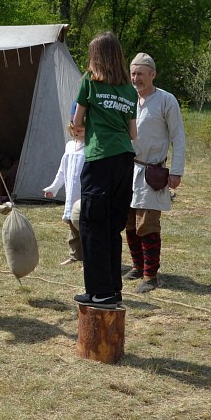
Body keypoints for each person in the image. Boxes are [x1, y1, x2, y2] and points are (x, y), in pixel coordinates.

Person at [71, 32, 138, 309]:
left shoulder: (90, 81)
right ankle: (111, 289)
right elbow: (133, 133)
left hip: (100, 160)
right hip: (125, 161)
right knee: (112, 228)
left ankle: (99, 293)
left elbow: (76, 123)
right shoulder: (129, 90)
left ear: (96, 57)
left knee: (92, 225)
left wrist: (84, 129)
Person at [123, 53, 185, 294]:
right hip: (128, 167)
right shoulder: (128, 98)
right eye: (133, 73)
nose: (135, 78)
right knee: (128, 221)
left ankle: (151, 275)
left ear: (152, 74)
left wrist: (176, 172)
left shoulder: (166, 101)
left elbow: (178, 138)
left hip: (152, 171)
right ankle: (138, 266)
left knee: (147, 224)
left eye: (140, 73)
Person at [43, 113, 85, 265]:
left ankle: (88, 259)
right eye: (74, 128)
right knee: (72, 224)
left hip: (83, 192)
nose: (76, 131)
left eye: (80, 128)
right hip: (71, 192)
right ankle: (75, 256)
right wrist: (53, 188)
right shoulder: (69, 146)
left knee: (84, 225)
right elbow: (62, 170)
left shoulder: (91, 147)